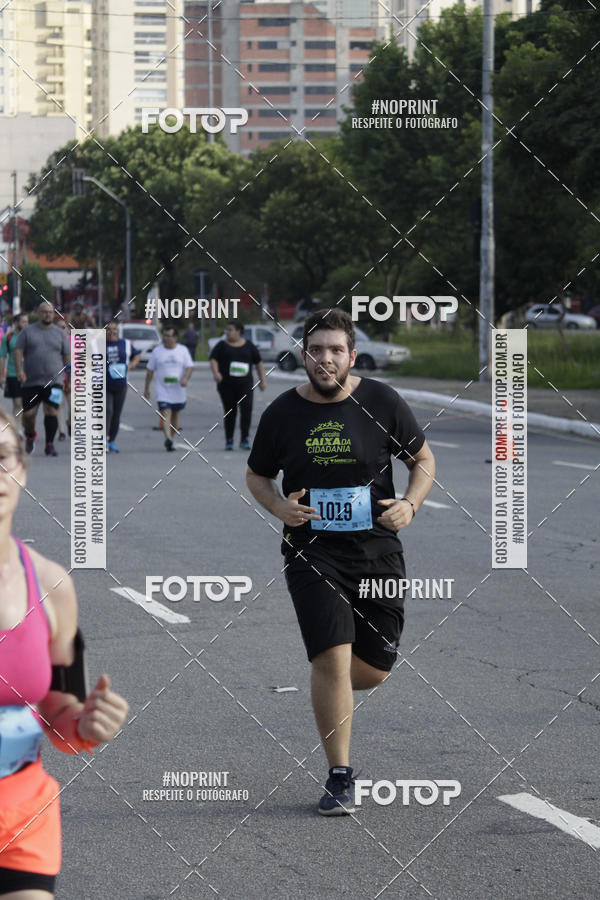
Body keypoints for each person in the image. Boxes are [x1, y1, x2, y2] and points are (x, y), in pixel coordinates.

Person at [246, 308, 435, 816]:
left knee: (373, 670)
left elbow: (422, 459)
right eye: (315, 350)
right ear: (303, 356)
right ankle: (339, 776)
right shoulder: (282, 413)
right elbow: (258, 476)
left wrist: (410, 503)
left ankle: (328, 687)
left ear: (352, 356)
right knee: (331, 656)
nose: (325, 359)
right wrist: (279, 507)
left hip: (378, 552)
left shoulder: (382, 401)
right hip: (312, 551)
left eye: (335, 350)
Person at [0, 408, 129, 897]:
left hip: (18, 814)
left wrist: (85, 722)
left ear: (22, 469)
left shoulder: (52, 585)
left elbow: (57, 706)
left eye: (2, 457)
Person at [14, 302, 71, 457]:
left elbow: (67, 357)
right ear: (38, 313)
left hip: (55, 381)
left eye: (50, 312)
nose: (48, 315)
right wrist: (20, 371)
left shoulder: (60, 334)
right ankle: (31, 435)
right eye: (45, 312)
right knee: (28, 415)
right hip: (31, 381)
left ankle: (49, 444)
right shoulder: (27, 332)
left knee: (51, 411)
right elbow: (18, 351)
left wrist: (69, 378)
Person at [209, 321, 266, 451]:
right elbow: (213, 359)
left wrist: (262, 381)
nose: (227, 332)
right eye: (226, 330)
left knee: (246, 409)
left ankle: (244, 439)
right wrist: (216, 373)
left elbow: (259, 363)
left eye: (230, 330)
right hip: (227, 385)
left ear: (239, 331)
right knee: (230, 412)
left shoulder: (249, 346)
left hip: (245, 384)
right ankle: (229, 440)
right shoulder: (221, 345)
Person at [143, 326, 193, 452]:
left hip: (178, 389)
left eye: (169, 336)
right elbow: (150, 371)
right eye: (164, 335)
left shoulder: (183, 350)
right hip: (162, 389)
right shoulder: (157, 351)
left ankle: (172, 438)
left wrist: (186, 378)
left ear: (175, 337)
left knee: (176, 415)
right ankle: (168, 438)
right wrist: (147, 388)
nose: (166, 338)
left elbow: (189, 367)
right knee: (165, 412)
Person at [105, 322, 141, 453]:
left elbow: (137, 356)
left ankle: (112, 441)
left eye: (114, 329)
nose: (112, 332)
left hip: (121, 385)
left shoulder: (125, 343)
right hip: (104, 385)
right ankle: (103, 440)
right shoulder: (98, 344)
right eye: (108, 329)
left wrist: (130, 366)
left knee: (116, 414)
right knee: (107, 411)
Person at [0, 313, 29, 421]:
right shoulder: (8, 338)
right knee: (17, 402)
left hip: (30, 374)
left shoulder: (30, 336)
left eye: (27, 321)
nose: (26, 324)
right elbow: (2, 357)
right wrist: (1, 376)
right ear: (16, 323)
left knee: (28, 404)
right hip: (13, 374)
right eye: (23, 321)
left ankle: (27, 428)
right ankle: (18, 430)